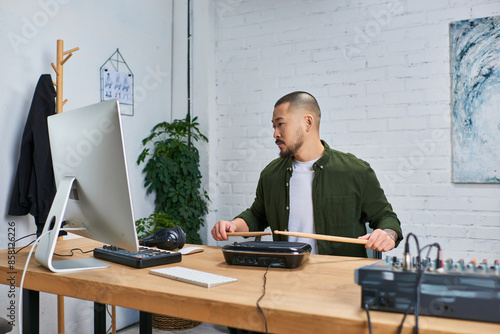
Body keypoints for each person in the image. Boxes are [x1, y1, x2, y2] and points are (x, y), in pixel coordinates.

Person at [212, 91, 402, 257]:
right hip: (285, 274)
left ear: (308, 122)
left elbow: (387, 218)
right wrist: (234, 225)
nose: (275, 134)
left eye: (281, 124)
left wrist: (387, 234)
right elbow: (257, 215)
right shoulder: (271, 174)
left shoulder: (355, 171)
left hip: (340, 280)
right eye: (273, 126)